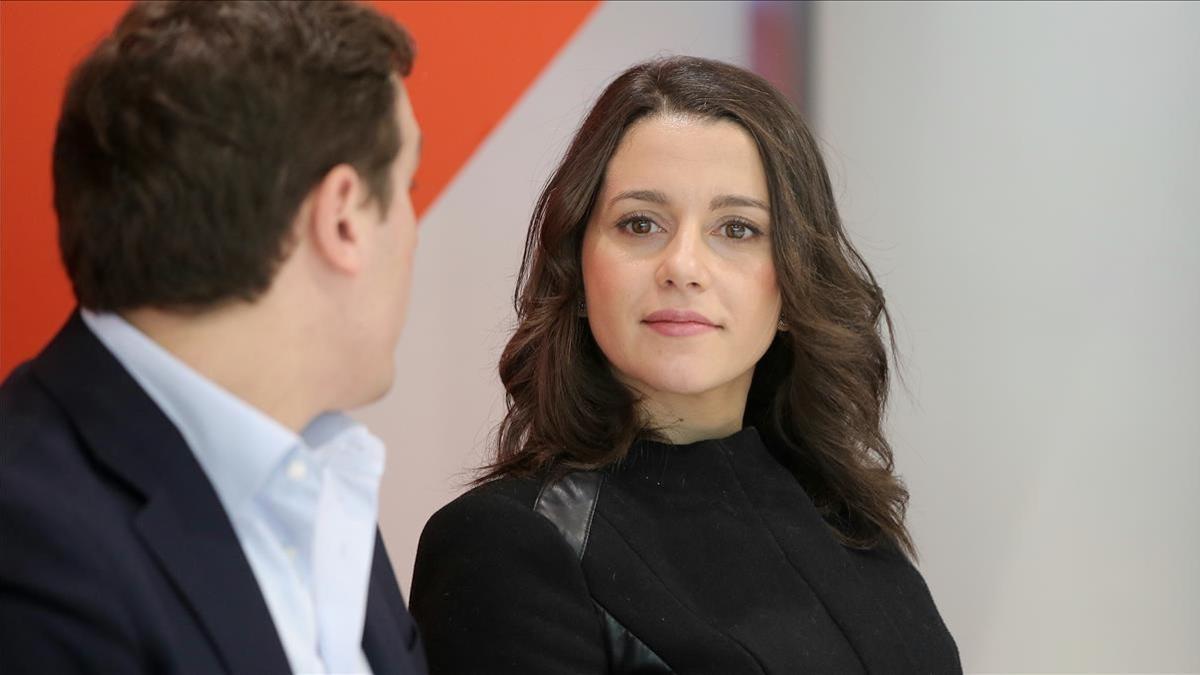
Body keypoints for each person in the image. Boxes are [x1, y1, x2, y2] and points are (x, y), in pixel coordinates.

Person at [409, 56, 961, 673]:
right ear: (579, 271)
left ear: (793, 287)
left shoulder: (848, 523)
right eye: (640, 223)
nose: (683, 266)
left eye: (738, 228)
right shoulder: (507, 544)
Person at [0, 2, 426, 673]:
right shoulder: (30, 544)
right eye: (409, 186)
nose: (412, 231)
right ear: (343, 218)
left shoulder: (319, 481)